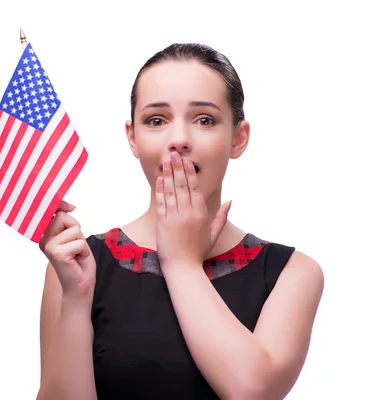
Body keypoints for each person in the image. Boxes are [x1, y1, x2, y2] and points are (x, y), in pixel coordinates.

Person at [35, 43, 324, 400]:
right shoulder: (78, 264)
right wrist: (76, 301)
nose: (179, 140)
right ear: (133, 138)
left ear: (238, 137)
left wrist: (181, 261)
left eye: (204, 120)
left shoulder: (292, 272)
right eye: (156, 121)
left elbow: (253, 390)